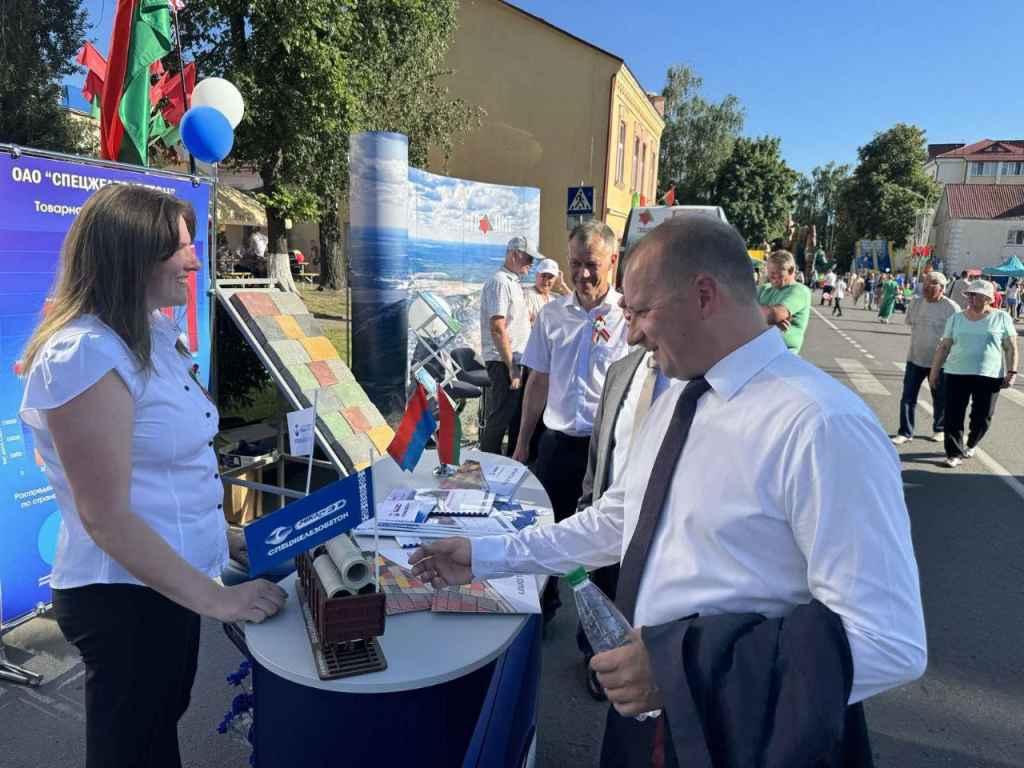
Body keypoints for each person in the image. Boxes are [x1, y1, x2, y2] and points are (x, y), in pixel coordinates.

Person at [410, 215, 926, 765]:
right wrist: (486, 555)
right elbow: (618, 520)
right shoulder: (678, 394)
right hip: (650, 711)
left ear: (704, 295)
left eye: (639, 311)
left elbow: (887, 643)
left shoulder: (821, 424)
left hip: (736, 733)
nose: (629, 333)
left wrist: (680, 670)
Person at [18, 185, 287, 768]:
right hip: (124, 598)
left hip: (164, 585)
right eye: (179, 250)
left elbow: (168, 474)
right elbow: (107, 517)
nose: (195, 260)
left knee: (155, 733)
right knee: (132, 750)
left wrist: (227, 540)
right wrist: (221, 600)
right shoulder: (86, 353)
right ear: (128, 257)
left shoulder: (147, 337)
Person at [511, 221, 629, 617]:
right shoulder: (552, 316)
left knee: (603, 553)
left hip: (607, 453)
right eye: (575, 264)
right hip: (558, 445)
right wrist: (524, 441)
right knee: (545, 536)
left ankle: (595, 641)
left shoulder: (629, 319)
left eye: (591, 264)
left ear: (613, 261)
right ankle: (541, 611)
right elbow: (538, 381)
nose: (582, 274)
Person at [574, 347, 673, 700]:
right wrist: (589, 500)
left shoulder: (693, 381)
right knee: (599, 596)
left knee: (638, 610)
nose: (630, 326)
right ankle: (596, 661)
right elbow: (601, 445)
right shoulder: (621, 370)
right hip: (611, 513)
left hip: (661, 527)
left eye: (641, 310)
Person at [930, 279, 1019, 467]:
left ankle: (971, 442)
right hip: (956, 372)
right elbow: (944, 346)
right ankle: (953, 453)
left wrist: (1012, 372)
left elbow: (1011, 347)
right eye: (968, 294)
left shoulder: (1002, 318)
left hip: (989, 375)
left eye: (974, 294)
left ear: (987, 298)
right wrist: (934, 372)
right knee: (953, 414)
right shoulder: (956, 318)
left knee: (983, 416)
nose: (969, 298)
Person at [478, 236, 535, 455]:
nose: (531, 263)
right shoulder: (500, 282)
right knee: (501, 416)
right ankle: (486, 463)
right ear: (514, 255)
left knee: (514, 417)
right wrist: (511, 366)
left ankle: (509, 463)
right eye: (528, 258)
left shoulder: (512, 282)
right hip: (504, 361)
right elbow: (498, 327)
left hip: (515, 360)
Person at [891, 272, 958, 446]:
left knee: (940, 398)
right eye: (925, 282)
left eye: (932, 284)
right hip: (915, 358)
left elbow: (956, 337)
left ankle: (939, 429)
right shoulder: (916, 303)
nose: (926, 287)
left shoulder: (951, 308)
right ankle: (905, 432)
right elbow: (911, 324)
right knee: (908, 397)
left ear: (942, 288)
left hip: (940, 362)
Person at [757, 249, 812, 354]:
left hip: (782, 354)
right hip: (759, 351)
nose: (770, 276)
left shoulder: (799, 291)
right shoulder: (765, 289)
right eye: (769, 271)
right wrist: (769, 325)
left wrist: (769, 318)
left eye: (775, 272)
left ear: (791, 270)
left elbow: (774, 314)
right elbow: (741, 308)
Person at [523, 257, 566, 323]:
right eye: (543, 276)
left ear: (556, 279)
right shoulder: (528, 295)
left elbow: (577, 306)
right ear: (536, 275)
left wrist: (563, 285)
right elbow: (524, 324)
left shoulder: (555, 298)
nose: (546, 281)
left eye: (550, 277)